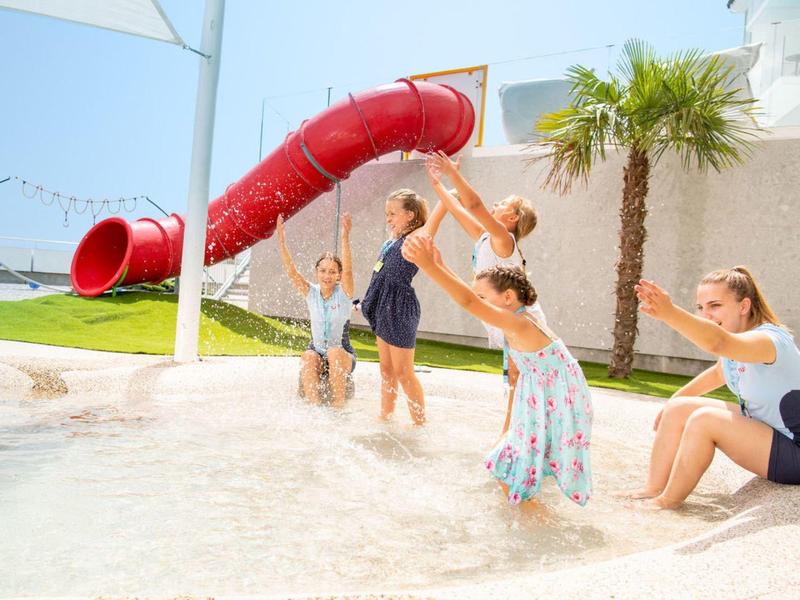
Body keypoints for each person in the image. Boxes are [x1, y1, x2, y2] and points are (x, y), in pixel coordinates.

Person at [402, 235, 593, 506]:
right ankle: (529, 511)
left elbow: (468, 302)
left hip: (559, 399)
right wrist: (440, 265)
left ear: (508, 297)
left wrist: (429, 267)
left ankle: (531, 516)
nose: (478, 300)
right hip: (550, 394)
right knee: (510, 463)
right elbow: (470, 296)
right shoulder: (517, 317)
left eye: (483, 296)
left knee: (511, 464)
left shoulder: (520, 322)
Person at [617, 267, 800, 509]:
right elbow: (718, 373)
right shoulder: (737, 341)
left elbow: (717, 342)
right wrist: (673, 403)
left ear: (744, 306)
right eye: (701, 307)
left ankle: (666, 502)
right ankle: (653, 488)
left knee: (705, 420)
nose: (706, 315)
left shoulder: (769, 341)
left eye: (715, 306)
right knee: (680, 408)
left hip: (795, 450)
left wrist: (670, 313)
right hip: (771, 431)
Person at [361, 189, 428, 426]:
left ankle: (420, 424)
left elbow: (431, 224)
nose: (388, 218)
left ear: (410, 215)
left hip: (400, 308)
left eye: (392, 213)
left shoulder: (415, 239)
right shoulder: (391, 242)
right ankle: (385, 415)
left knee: (403, 372)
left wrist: (447, 196)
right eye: (386, 213)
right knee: (387, 369)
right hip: (383, 306)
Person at [275, 212, 356, 408]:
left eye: (332, 271)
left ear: (338, 275)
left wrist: (345, 237)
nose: (327, 275)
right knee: (308, 356)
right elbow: (291, 272)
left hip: (342, 353)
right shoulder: (311, 293)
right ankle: (315, 408)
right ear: (316, 272)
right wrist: (282, 241)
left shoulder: (344, 293)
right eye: (323, 271)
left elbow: (348, 271)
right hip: (318, 352)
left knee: (334, 352)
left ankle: (338, 408)